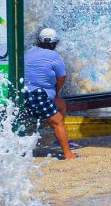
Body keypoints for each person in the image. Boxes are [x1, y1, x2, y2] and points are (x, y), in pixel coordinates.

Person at [22, 28, 76, 159]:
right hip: (37, 95)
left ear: (38, 40)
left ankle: (61, 138)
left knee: (61, 104)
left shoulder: (27, 53)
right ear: (55, 43)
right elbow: (61, 78)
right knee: (57, 122)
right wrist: (55, 92)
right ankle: (68, 154)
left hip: (23, 94)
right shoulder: (55, 57)